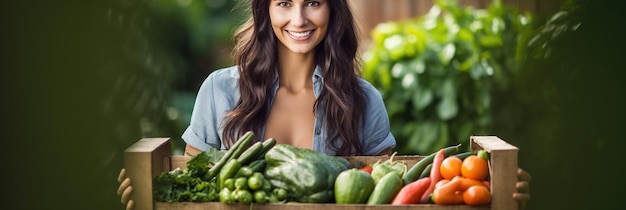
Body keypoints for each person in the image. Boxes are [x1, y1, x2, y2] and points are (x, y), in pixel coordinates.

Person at [117, 0, 531, 209]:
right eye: (284, 3)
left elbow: (390, 193)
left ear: (332, 9)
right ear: (266, 10)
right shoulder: (218, 91)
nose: (299, 19)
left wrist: (489, 190)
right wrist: (154, 193)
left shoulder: (363, 99)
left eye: (313, 1)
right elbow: (197, 189)